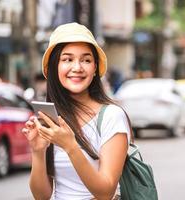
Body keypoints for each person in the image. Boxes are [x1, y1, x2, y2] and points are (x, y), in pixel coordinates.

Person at [22, 22, 131, 200]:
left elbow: (105, 192)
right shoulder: (53, 119)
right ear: (54, 67)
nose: (77, 67)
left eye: (86, 60)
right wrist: (38, 151)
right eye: (67, 59)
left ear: (95, 68)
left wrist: (70, 146)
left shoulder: (112, 115)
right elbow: (41, 196)